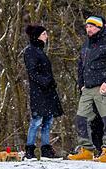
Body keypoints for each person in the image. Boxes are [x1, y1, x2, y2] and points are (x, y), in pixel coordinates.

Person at [68, 15, 106, 163]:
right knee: (81, 118)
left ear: (100, 27)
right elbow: (81, 64)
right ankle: (86, 150)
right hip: (87, 87)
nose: (89, 29)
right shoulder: (87, 42)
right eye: (87, 26)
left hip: (103, 87)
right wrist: (81, 83)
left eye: (92, 26)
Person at [23, 25, 63, 159]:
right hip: (38, 92)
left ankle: (46, 149)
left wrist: (51, 82)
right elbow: (32, 72)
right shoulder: (30, 51)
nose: (47, 36)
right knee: (36, 121)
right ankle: (29, 150)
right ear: (38, 36)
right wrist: (47, 81)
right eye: (44, 34)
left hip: (48, 92)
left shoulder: (40, 51)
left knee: (48, 121)